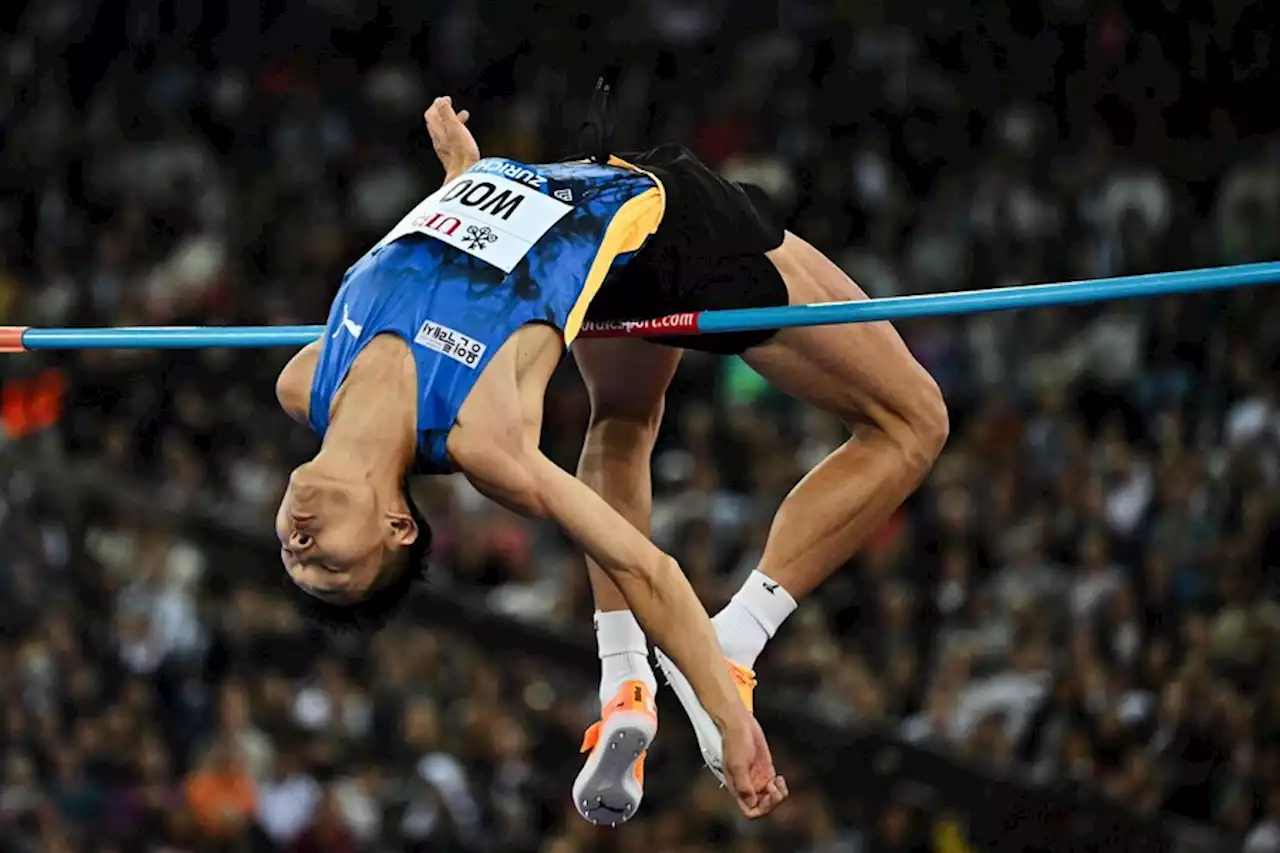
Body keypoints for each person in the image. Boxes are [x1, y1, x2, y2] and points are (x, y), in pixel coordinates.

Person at [272, 97, 787, 823]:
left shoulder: (306, 380)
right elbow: (645, 566)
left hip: (556, 167)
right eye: (328, 566)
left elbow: (439, 264)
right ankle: (695, 653)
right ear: (398, 524)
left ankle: (631, 678)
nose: (298, 548)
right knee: (909, 417)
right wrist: (732, 721)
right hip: (670, 213)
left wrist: (460, 174)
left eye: (292, 559)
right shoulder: (483, 436)